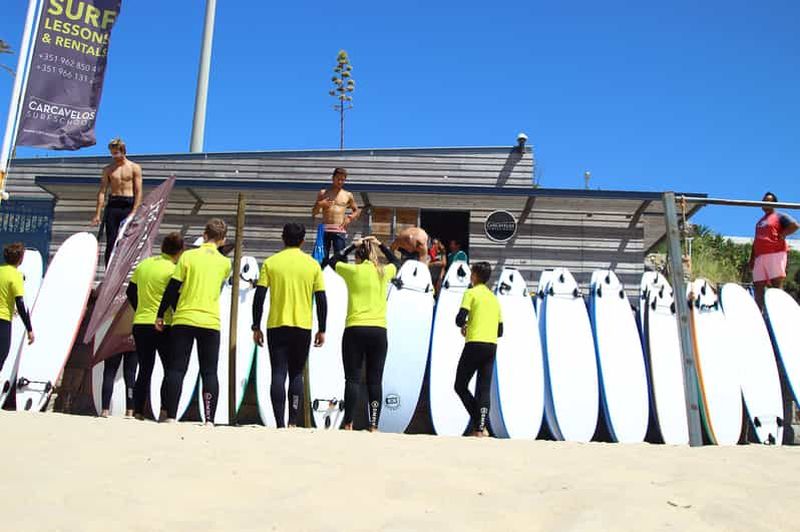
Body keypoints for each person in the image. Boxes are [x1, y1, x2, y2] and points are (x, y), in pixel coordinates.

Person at [252, 223, 327, 428]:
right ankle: (293, 421)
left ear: (282, 238)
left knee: (278, 372)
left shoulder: (271, 263)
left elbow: (259, 296)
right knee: (296, 373)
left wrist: (255, 325)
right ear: (303, 241)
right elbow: (321, 299)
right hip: (302, 327)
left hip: (276, 325)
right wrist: (322, 328)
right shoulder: (312, 265)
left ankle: (279, 423)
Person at [156, 219, 231, 424]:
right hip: (210, 320)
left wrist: (160, 314)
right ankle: (209, 419)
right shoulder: (225, 263)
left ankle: (171, 416)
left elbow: (173, 287)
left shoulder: (188, 256)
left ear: (204, 235)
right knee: (209, 371)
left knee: (177, 369)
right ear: (223, 240)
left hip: (184, 317)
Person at [329, 236, 400, 431]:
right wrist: (380, 245)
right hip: (378, 331)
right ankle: (374, 424)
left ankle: (348, 423)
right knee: (375, 380)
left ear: (358, 258)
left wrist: (352, 246)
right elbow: (396, 262)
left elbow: (332, 261)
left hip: (355, 329)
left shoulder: (353, 271)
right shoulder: (383, 272)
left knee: (352, 379)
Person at [126, 232, 184, 421]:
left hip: (141, 322)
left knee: (144, 369)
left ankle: (137, 411)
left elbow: (130, 291)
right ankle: (165, 410)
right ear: (179, 252)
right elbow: (173, 297)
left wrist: (140, 309)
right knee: (169, 369)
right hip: (163, 324)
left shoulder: (144, 264)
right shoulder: (173, 269)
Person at [453, 261, 503, 437]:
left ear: (474, 275)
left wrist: (466, 325)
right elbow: (500, 331)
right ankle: (480, 429)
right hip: (491, 346)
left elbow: (459, 319)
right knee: (483, 388)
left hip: (474, 343)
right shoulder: (494, 298)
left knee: (460, 385)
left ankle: (478, 422)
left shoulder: (470, 293)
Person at [90, 138, 143, 266]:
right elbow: (102, 191)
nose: (114, 156)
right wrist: (97, 214)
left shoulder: (134, 167)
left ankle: (123, 268)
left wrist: (135, 211)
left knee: (125, 239)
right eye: (112, 153)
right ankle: (108, 269)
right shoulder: (108, 169)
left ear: (123, 151)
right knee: (111, 240)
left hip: (128, 204)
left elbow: (138, 191)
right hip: (113, 204)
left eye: (116, 153)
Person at [749, 192, 799, 310]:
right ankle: (759, 313)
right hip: (760, 256)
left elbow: (795, 225)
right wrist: (752, 257)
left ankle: (779, 311)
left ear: (774, 204)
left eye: (768, 201)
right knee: (758, 285)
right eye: (764, 200)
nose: (765, 203)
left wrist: (782, 235)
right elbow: (756, 240)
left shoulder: (779, 216)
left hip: (775, 254)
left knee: (776, 284)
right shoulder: (759, 222)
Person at [312, 167, 361, 264]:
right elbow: (314, 212)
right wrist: (320, 204)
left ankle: (338, 274)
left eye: (342, 180)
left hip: (339, 229)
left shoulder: (348, 195)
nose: (340, 182)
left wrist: (350, 218)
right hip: (325, 230)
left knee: (340, 259)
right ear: (333, 178)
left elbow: (357, 210)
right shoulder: (323, 193)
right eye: (338, 179)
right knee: (322, 258)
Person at [0, 243, 34, 374]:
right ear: (20, 259)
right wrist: (29, 329)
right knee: (1, 356)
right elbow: (20, 304)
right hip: (3, 321)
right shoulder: (16, 276)